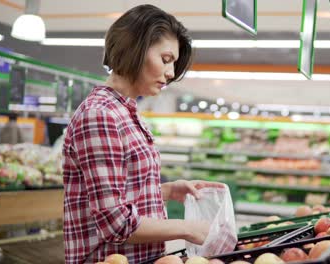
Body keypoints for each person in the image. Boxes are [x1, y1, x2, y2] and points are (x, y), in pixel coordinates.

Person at [62, 5, 224, 263]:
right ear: (135, 48)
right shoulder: (101, 116)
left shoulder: (127, 111)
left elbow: (116, 195)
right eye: (166, 59)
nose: (170, 74)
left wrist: (168, 190)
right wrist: (188, 228)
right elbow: (115, 222)